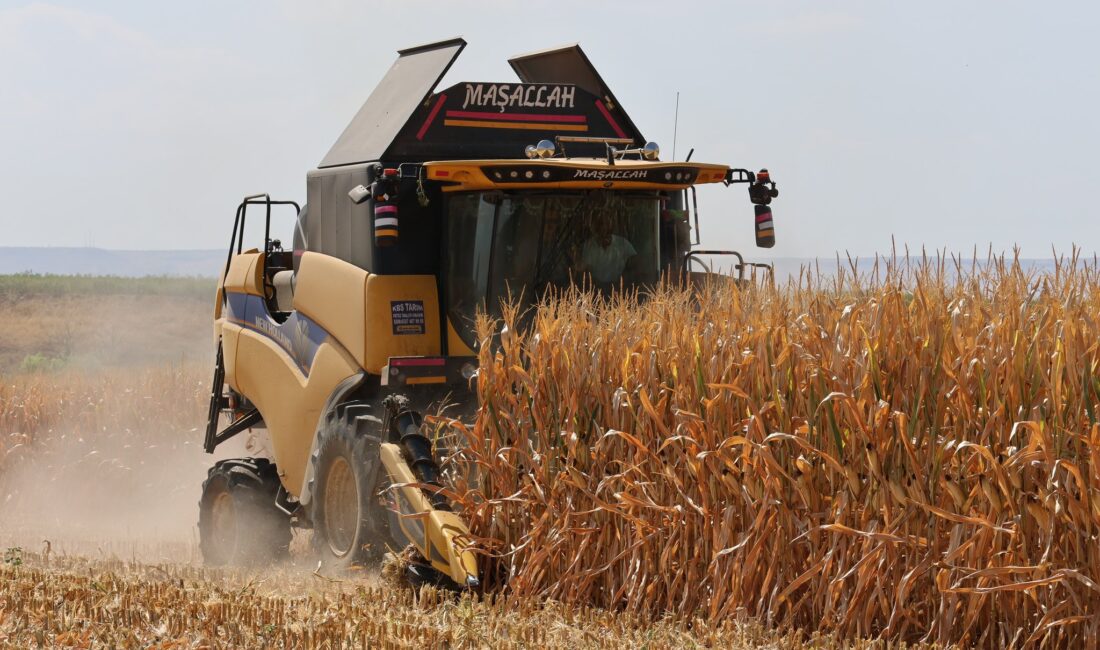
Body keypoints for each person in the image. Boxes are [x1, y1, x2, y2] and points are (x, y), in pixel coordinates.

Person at [578, 215, 636, 284]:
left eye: (605, 224)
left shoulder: (623, 243)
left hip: (619, 288)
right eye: (599, 224)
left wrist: (624, 281)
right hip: (595, 288)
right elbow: (586, 269)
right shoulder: (588, 245)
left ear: (611, 225)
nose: (602, 228)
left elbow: (636, 265)